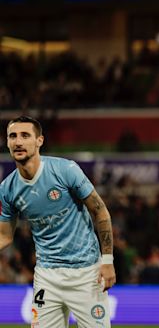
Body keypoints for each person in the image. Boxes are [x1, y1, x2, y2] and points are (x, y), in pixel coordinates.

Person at [0, 116, 115, 327]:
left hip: (86, 273)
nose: (18, 141)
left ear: (39, 141)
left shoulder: (65, 170)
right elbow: (5, 236)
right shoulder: (7, 188)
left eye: (25, 135)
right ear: (7, 142)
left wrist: (107, 261)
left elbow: (101, 212)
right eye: (12, 136)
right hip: (46, 276)